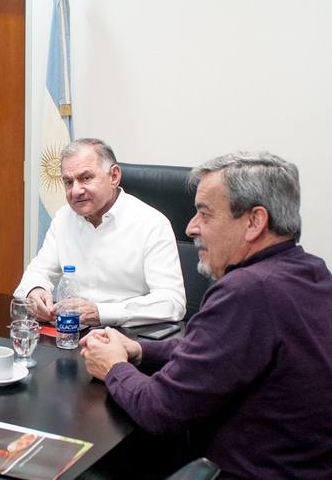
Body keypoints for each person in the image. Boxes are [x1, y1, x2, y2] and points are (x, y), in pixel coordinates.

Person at [80, 152, 332, 477]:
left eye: (205, 213)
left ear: (254, 222)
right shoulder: (311, 270)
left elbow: (159, 409)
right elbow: (220, 350)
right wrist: (140, 350)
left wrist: (113, 366)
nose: (191, 227)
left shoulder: (247, 291)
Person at [14, 138, 185, 326]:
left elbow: (172, 302)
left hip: (128, 336)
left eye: (86, 178)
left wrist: (101, 312)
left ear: (114, 176)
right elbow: (39, 271)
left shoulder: (151, 223)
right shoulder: (64, 218)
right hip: (72, 331)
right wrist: (35, 290)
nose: (75, 191)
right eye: (68, 182)